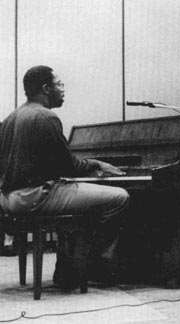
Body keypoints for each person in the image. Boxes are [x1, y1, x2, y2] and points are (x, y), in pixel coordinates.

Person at [0, 65, 130, 289]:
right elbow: (68, 166)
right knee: (119, 197)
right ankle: (92, 262)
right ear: (46, 88)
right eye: (60, 85)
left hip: (8, 198)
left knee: (79, 201)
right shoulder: (47, 117)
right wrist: (96, 164)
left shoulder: (11, 118)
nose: (63, 90)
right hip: (36, 197)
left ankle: (67, 265)